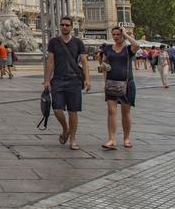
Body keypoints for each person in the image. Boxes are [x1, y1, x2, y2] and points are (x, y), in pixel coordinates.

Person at [43, 15, 90, 151]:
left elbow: (85, 62)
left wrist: (87, 79)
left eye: (67, 25)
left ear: (71, 27)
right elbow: (50, 62)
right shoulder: (53, 42)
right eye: (62, 25)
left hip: (74, 80)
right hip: (58, 79)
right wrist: (47, 80)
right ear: (60, 26)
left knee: (73, 111)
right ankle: (65, 128)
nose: (64, 27)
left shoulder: (78, 43)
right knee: (57, 109)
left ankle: (73, 139)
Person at [99, 27, 139, 150]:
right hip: (111, 83)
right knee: (111, 111)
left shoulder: (128, 49)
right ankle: (112, 139)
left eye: (118, 34)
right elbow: (104, 65)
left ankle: (126, 138)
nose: (116, 36)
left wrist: (126, 34)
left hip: (127, 84)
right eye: (114, 34)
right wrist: (104, 81)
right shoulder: (108, 49)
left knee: (125, 112)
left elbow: (136, 44)